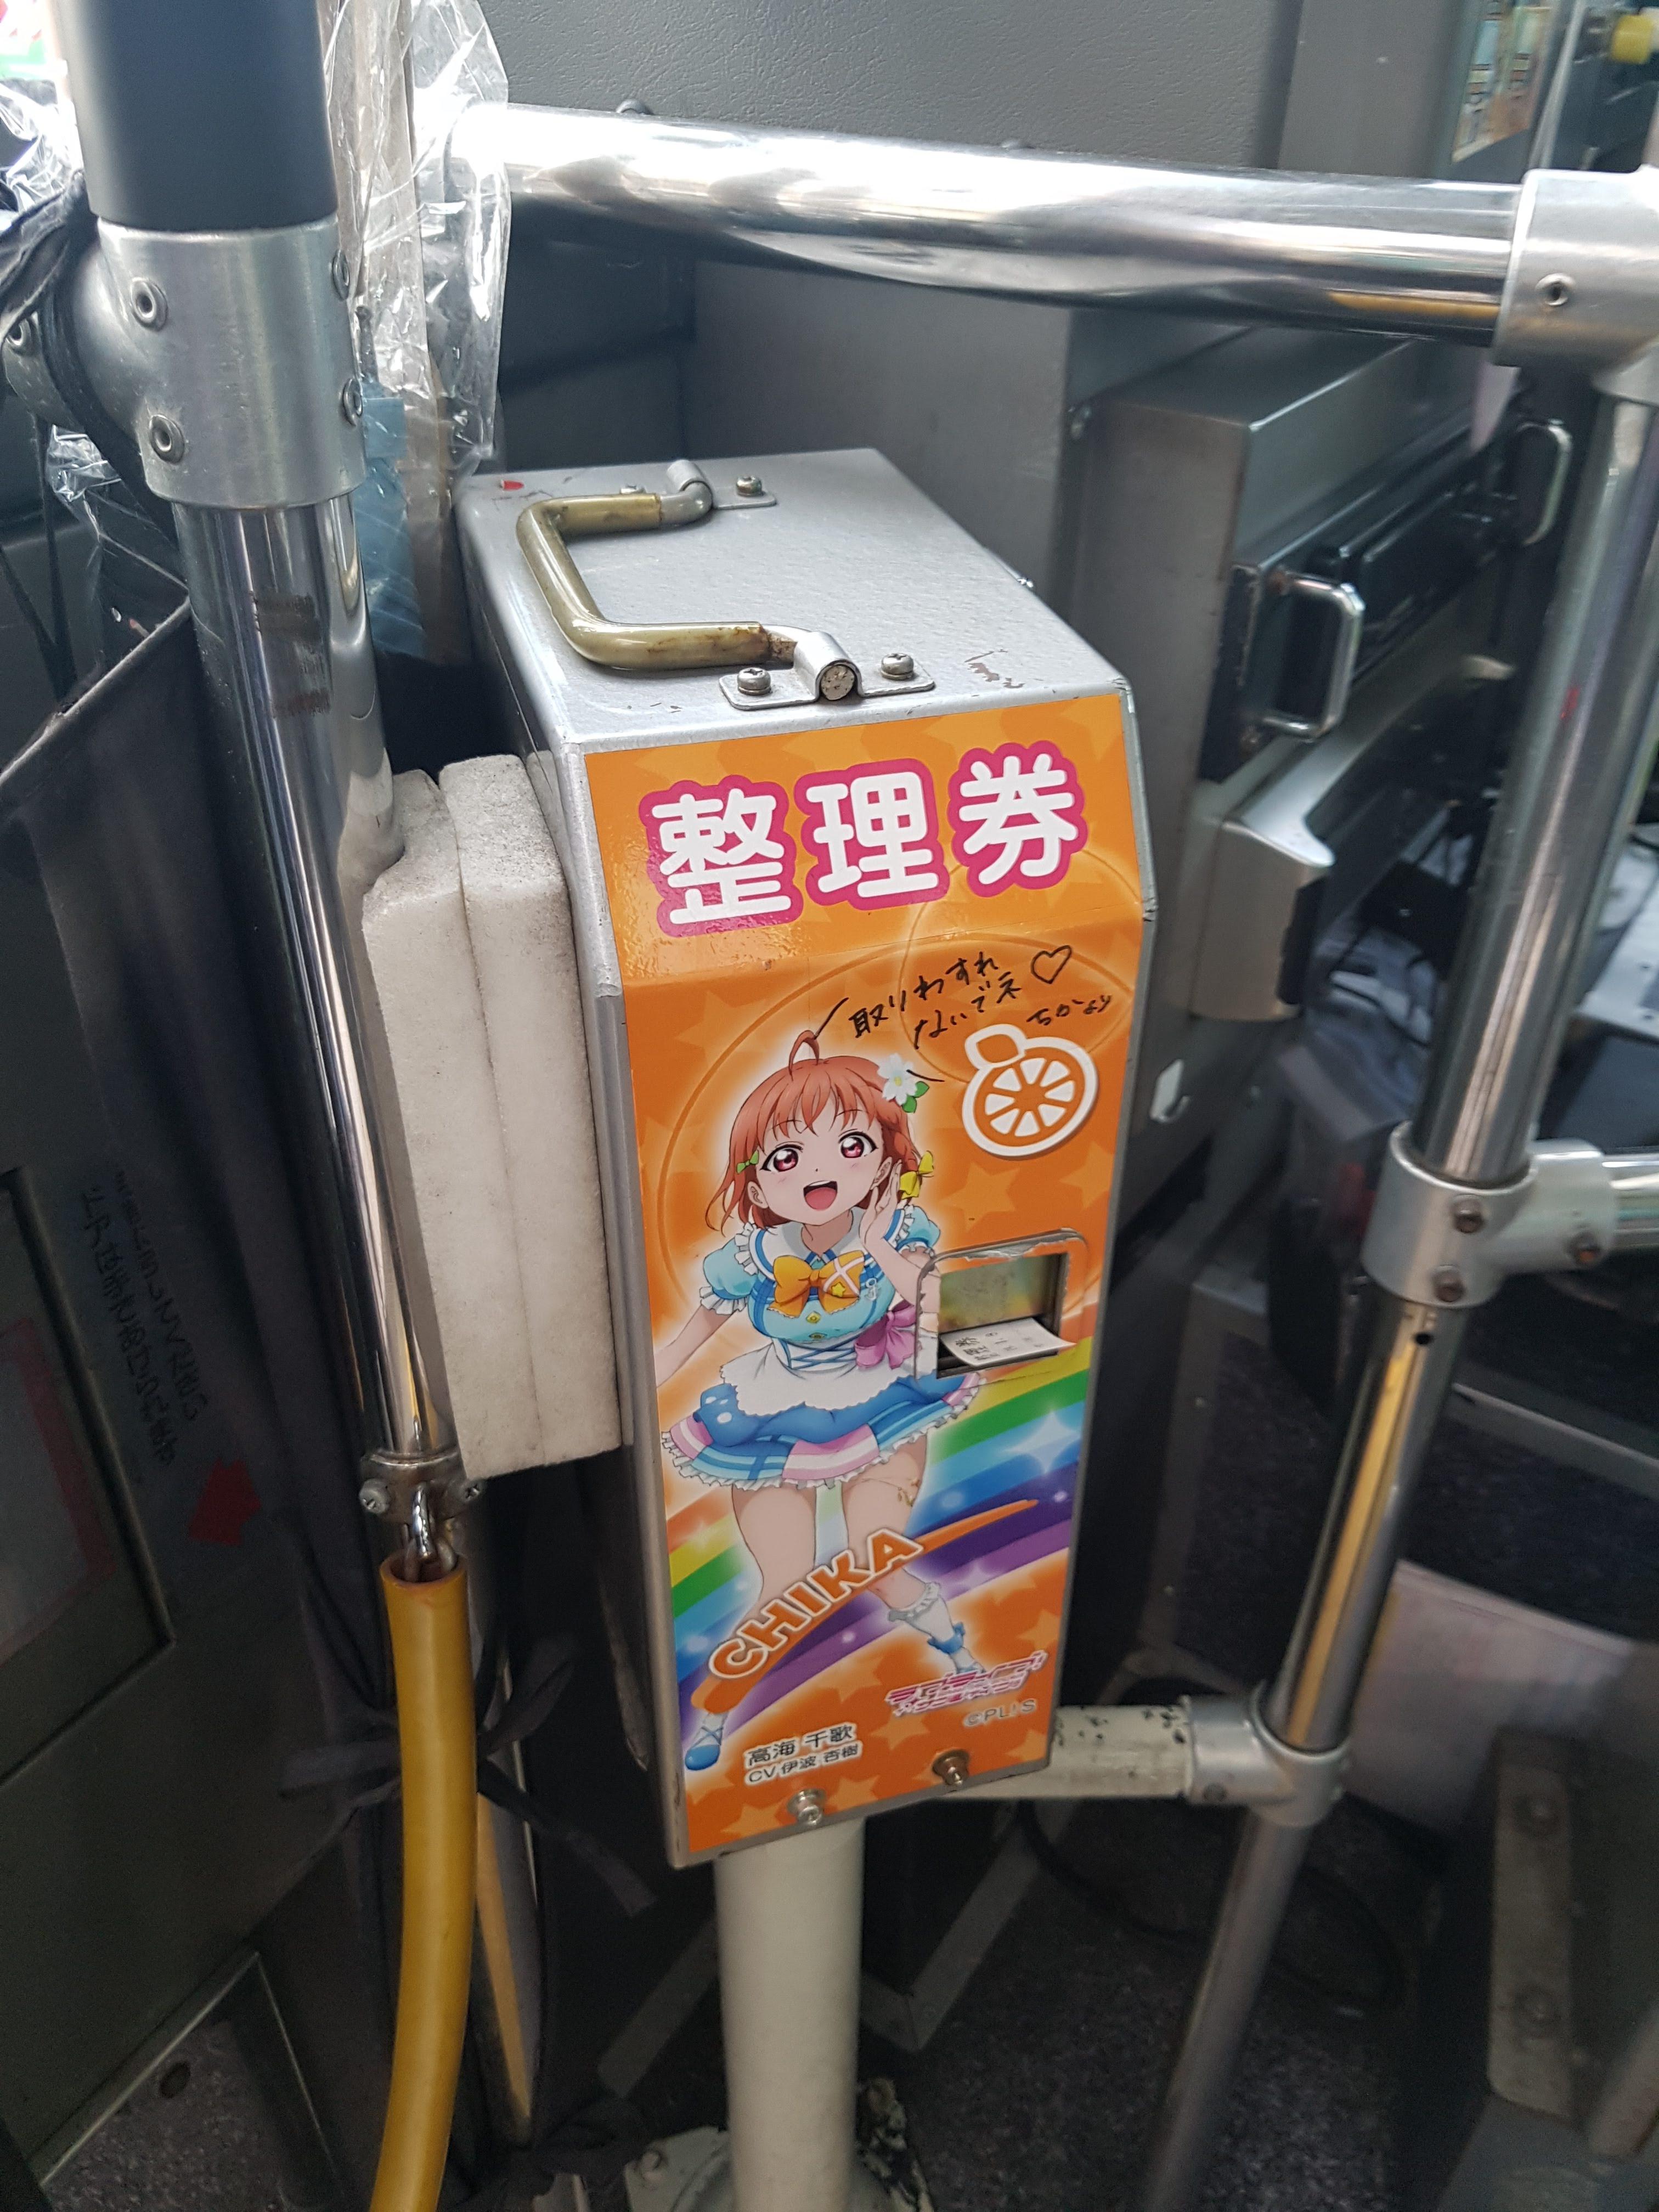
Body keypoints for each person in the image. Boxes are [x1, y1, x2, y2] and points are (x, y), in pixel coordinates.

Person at [656, 1030, 982, 1770]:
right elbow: (685, 1341)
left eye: (852, 1146)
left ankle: (960, 1658)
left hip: (883, 1396)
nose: (820, 1171)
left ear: (886, 1160)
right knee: (785, 1577)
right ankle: (714, 1720)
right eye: (786, 1157)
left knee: (877, 1557)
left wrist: (882, 1244)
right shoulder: (750, 1258)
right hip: (774, 1410)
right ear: (756, 1184)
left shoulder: (900, 1231)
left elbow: (939, 1305)